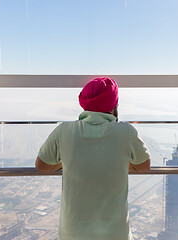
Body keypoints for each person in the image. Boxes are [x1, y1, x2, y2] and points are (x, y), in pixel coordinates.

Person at [35, 77, 150, 240]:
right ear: (113, 107)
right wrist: (117, 161)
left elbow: (42, 165)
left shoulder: (63, 131)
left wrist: (68, 161)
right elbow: (143, 166)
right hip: (115, 233)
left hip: (73, 233)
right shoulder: (127, 132)